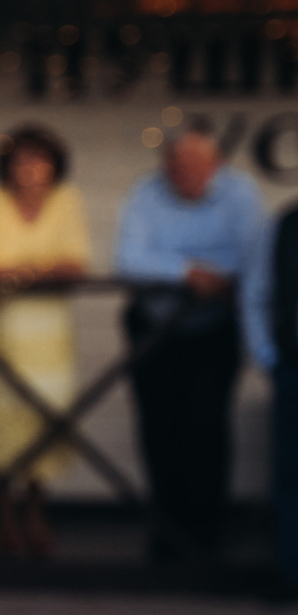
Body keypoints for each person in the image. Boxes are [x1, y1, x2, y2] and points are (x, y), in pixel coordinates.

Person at [113, 127, 265, 564]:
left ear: (215, 166)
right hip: (154, 326)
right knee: (158, 428)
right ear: (165, 167)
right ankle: (168, 530)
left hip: (213, 328)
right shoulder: (146, 194)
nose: (185, 173)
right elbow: (127, 259)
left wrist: (208, 278)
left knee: (206, 426)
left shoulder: (240, 195)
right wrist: (188, 273)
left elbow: (250, 257)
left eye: (195, 165)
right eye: (177, 165)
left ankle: (205, 531)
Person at [0, 124, 91, 559]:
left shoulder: (66, 201)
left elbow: (75, 265)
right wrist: (42, 270)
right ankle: (4, 517)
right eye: (21, 159)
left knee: (44, 422)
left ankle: (37, 514)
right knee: (1, 428)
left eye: (39, 159)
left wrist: (21, 273)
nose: (30, 168)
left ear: (55, 165)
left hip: (48, 339)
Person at [250, 196, 298, 597]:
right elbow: (258, 291)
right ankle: (288, 572)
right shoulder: (285, 224)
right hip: (293, 366)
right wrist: (268, 356)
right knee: (290, 472)